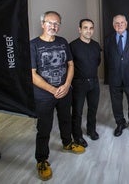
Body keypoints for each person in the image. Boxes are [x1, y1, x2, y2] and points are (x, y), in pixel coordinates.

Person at [30, 11, 85, 181]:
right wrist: (53, 90)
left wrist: (67, 84)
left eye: (57, 23)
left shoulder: (62, 42)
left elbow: (70, 64)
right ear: (42, 24)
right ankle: (42, 160)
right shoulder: (33, 45)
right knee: (44, 128)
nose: (53, 26)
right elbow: (32, 74)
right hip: (44, 95)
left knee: (65, 120)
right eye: (50, 23)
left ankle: (67, 143)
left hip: (64, 90)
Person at [104, 14, 129, 137]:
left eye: (122, 23)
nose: (119, 25)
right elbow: (107, 58)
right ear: (113, 25)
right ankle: (120, 123)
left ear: (126, 24)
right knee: (116, 103)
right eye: (117, 23)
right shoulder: (108, 39)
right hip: (115, 78)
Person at [70, 19, 101, 145]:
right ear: (79, 29)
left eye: (91, 28)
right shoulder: (72, 46)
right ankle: (77, 136)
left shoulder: (96, 45)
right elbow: (69, 65)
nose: (88, 31)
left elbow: (97, 62)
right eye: (85, 27)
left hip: (94, 82)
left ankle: (91, 130)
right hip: (78, 83)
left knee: (93, 109)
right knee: (77, 111)